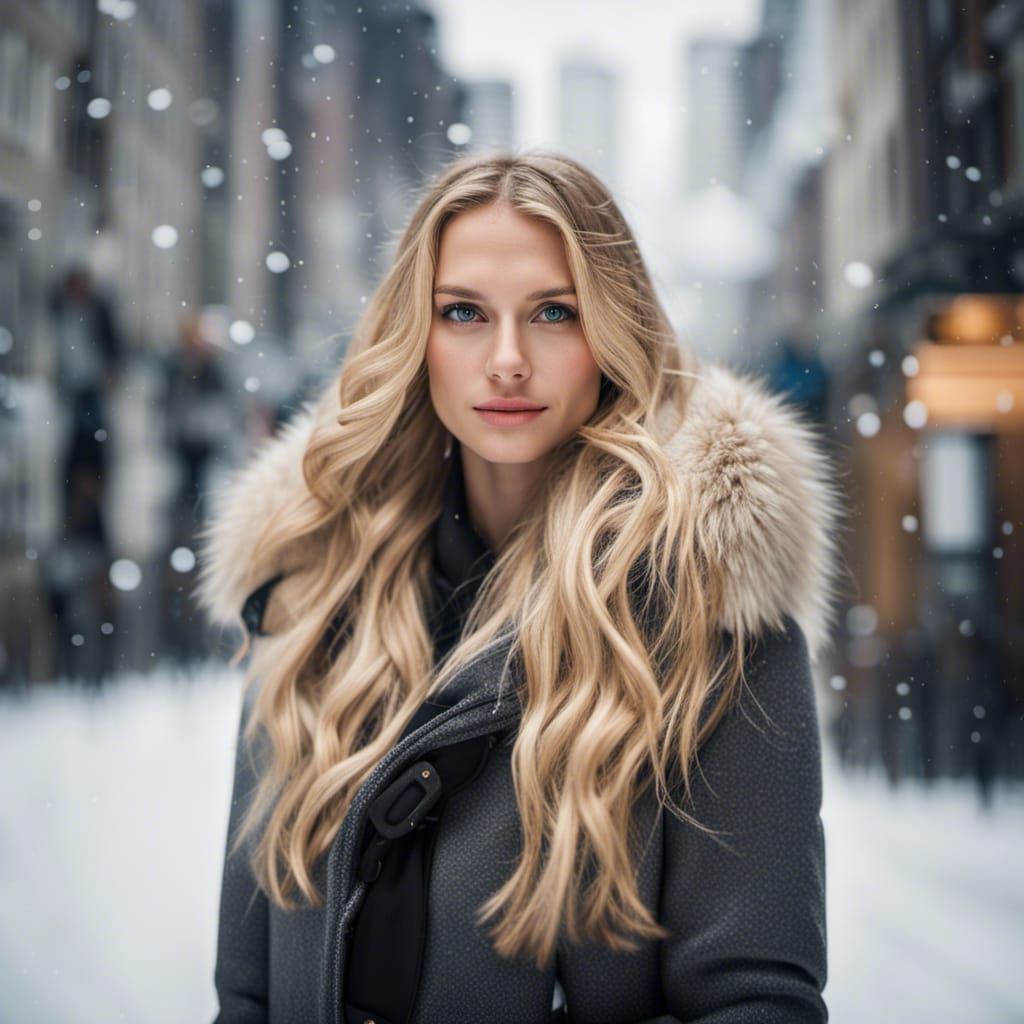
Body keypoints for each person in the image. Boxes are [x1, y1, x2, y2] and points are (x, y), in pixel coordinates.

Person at [197, 151, 841, 1024]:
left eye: (554, 313)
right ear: (415, 337)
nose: (507, 360)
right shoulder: (310, 604)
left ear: (611, 335)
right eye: (463, 312)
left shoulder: (715, 623)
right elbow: (246, 998)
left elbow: (755, 1005)